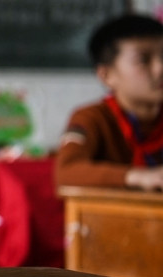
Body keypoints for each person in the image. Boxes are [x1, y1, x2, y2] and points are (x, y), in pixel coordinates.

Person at [56, 13, 163, 191]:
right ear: (107, 75)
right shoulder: (91, 118)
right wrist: (139, 176)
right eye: (143, 60)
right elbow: (66, 172)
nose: (160, 69)